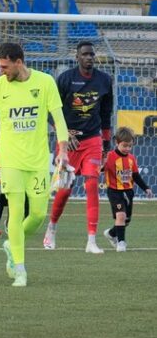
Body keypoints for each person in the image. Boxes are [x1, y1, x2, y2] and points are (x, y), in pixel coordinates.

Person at [0, 43, 69, 288]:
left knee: (36, 215)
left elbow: (59, 119)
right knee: (15, 212)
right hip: (11, 161)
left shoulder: (45, 82)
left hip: (38, 161)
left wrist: (63, 151)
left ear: (18, 61)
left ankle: (11, 243)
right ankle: (20, 269)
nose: (1, 70)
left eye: (5, 66)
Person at [43, 41, 114, 254]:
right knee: (64, 190)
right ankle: (52, 228)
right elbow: (50, 111)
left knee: (92, 185)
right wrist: (64, 134)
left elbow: (105, 115)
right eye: (85, 54)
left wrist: (106, 145)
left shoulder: (104, 80)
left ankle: (91, 240)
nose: (89, 57)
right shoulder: (65, 79)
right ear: (77, 57)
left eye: (92, 54)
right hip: (68, 143)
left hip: (92, 140)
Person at [101, 127, 152, 252]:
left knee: (126, 220)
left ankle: (112, 234)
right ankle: (121, 242)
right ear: (117, 143)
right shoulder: (110, 156)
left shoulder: (131, 158)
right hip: (114, 191)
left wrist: (146, 188)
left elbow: (135, 175)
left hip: (128, 192)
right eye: (124, 146)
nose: (127, 149)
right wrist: (102, 164)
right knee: (121, 215)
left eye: (130, 146)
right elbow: (101, 169)